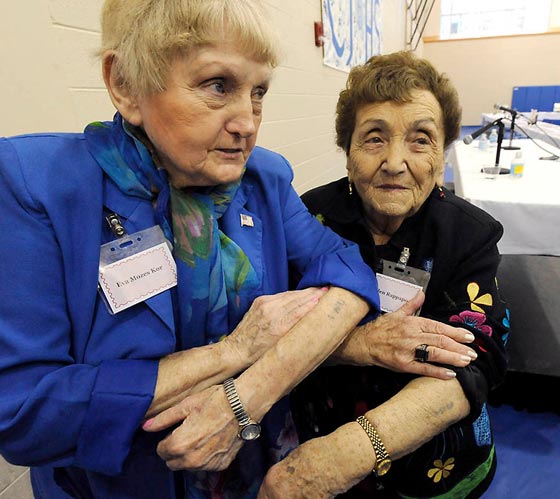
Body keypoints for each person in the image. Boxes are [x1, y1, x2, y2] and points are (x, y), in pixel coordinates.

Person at [0, 1, 383, 497]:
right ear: (125, 84)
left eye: (258, 93)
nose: (246, 123)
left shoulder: (262, 179)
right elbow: (25, 413)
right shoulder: (40, 187)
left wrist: (249, 395)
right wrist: (233, 352)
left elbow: (348, 270)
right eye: (218, 86)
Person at [259, 51, 510, 498]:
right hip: (316, 435)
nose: (395, 162)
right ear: (348, 151)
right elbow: (266, 328)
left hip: (430, 466)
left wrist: (346, 455)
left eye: (420, 140)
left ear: (442, 155)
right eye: (374, 138)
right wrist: (358, 344)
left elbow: (476, 359)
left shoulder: (467, 234)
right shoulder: (310, 217)